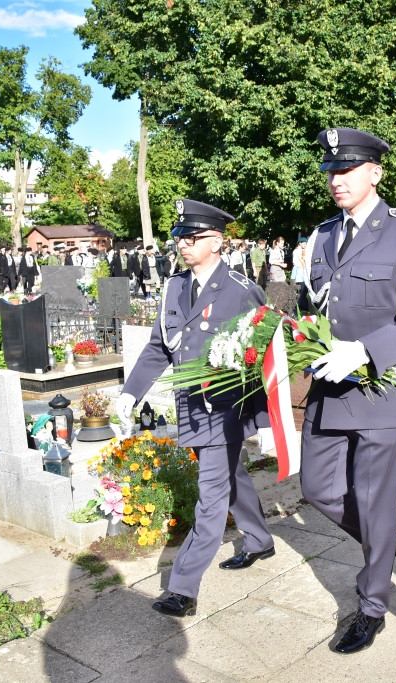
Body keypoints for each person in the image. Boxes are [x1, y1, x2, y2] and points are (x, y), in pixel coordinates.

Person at [297, 127, 396, 654]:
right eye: (331, 171)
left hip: (382, 392)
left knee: (376, 502)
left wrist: (364, 351)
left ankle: (371, 604)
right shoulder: (322, 234)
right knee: (316, 488)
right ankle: (383, 543)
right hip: (330, 389)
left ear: (375, 172)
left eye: (347, 170)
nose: (336, 180)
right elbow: (317, 306)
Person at [115, 199, 275, 618]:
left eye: (194, 237)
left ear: (218, 242)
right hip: (190, 408)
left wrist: (265, 418)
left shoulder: (241, 291)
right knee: (229, 476)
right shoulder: (173, 287)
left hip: (224, 410)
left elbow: (265, 353)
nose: (184, 244)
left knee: (210, 495)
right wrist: (131, 393)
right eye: (180, 238)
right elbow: (158, 348)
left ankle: (183, 588)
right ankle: (259, 539)